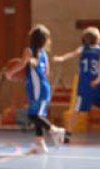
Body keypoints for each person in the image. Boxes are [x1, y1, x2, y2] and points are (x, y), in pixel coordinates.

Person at [5, 25, 65, 155]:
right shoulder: (44, 54)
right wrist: (28, 75)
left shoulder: (29, 51)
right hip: (40, 88)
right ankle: (40, 145)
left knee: (33, 115)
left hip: (38, 90)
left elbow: (21, 64)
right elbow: (46, 73)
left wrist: (10, 73)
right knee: (39, 116)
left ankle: (54, 130)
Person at [54, 27, 100, 144]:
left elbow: (72, 54)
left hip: (85, 85)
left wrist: (62, 58)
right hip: (98, 84)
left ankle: (68, 133)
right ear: (98, 39)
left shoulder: (83, 49)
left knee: (76, 110)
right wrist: (99, 78)